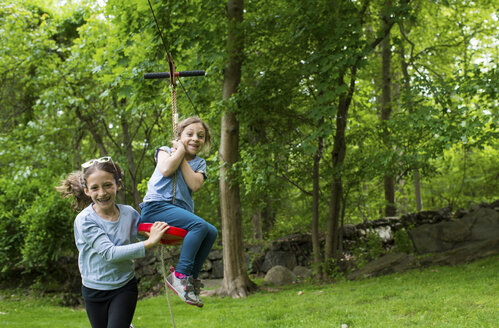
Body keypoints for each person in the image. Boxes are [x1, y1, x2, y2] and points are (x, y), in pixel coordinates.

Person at [57, 156, 169, 328]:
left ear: (118, 184)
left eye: (108, 185)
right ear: (87, 191)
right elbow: (110, 253)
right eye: (95, 188)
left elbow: (143, 235)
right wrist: (149, 243)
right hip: (93, 290)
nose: (102, 193)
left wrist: (160, 234)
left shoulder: (130, 214)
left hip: (124, 287)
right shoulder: (85, 220)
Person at [140, 116, 218, 308]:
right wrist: (179, 152)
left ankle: (189, 280)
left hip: (177, 212)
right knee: (199, 225)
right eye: (189, 134)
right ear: (179, 136)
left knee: (211, 231)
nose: (195, 139)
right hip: (156, 208)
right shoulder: (165, 151)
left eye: (201, 136)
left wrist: (181, 154)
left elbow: (194, 184)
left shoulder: (200, 164)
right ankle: (180, 275)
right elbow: (166, 169)